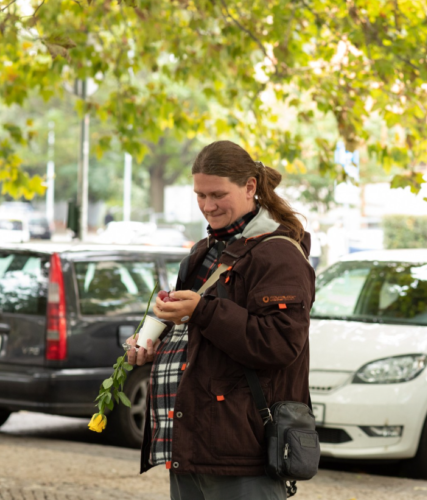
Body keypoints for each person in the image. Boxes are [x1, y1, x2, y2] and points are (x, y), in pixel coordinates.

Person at [126, 140, 315, 500]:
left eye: (217, 194)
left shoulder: (279, 255)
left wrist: (202, 310)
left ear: (249, 187)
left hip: (243, 453)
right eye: (199, 195)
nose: (207, 206)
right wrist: (150, 344)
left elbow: (279, 344)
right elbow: (193, 337)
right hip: (192, 447)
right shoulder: (204, 252)